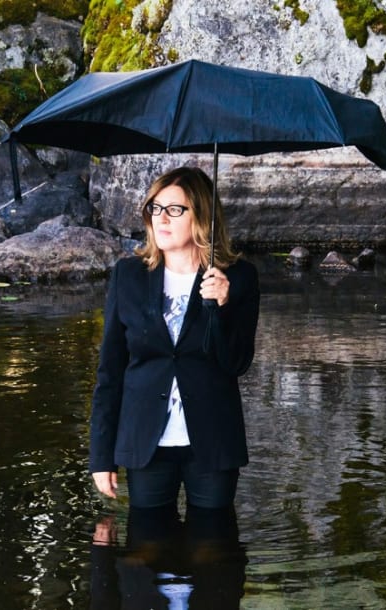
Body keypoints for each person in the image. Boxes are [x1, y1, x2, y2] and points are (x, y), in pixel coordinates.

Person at [89, 166, 260, 511]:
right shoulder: (129, 276)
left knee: (214, 551)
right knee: (149, 550)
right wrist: (101, 456)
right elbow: (110, 370)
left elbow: (238, 363)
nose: (161, 218)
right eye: (155, 208)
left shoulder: (238, 277)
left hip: (213, 441)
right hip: (145, 442)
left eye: (175, 209)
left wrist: (223, 307)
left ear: (202, 216)